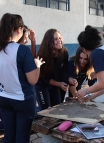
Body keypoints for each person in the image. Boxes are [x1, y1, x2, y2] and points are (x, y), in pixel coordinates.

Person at [0, 13, 45, 143]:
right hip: (22, 100)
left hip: (3, 98)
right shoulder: (22, 50)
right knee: (22, 136)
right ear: (19, 29)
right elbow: (33, 80)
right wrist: (37, 66)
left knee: (9, 134)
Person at [36, 29, 77, 110]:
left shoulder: (64, 52)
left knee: (57, 107)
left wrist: (69, 79)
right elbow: (44, 78)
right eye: (55, 39)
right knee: (46, 109)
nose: (59, 41)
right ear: (49, 41)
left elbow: (63, 71)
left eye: (60, 38)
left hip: (55, 83)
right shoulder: (43, 55)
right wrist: (59, 84)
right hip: (42, 85)